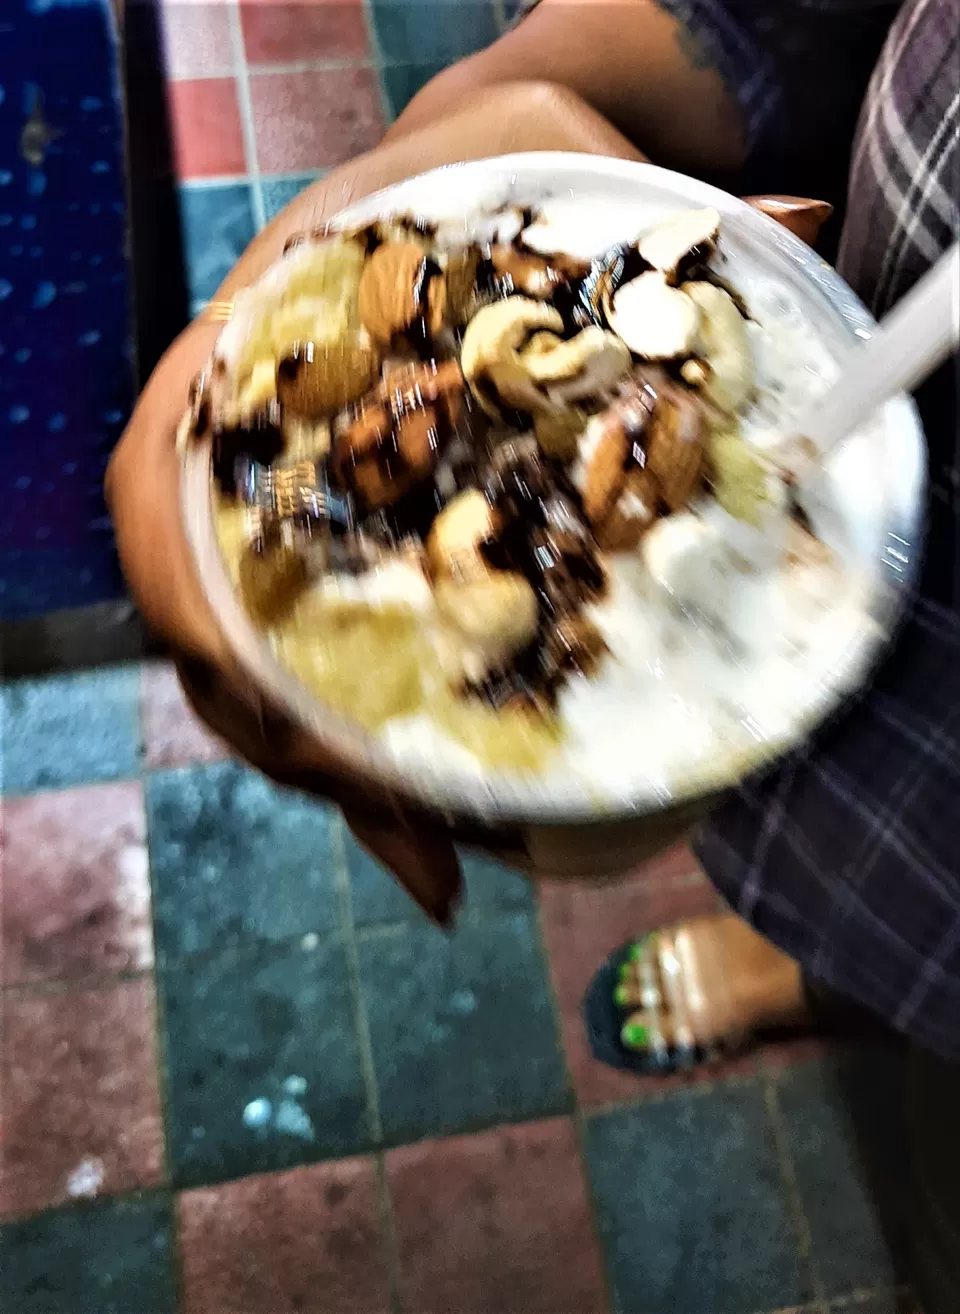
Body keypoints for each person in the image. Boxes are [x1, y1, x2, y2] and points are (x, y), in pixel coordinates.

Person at [107, 0, 959, 1307]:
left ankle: (856, 971)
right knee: (792, 866)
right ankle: (809, 951)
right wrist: (531, 90)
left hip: (928, 852)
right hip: (789, 596)